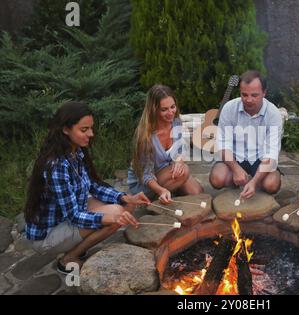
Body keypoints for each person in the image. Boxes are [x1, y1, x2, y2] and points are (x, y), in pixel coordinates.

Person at [24, 102, 150, 274]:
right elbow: (73, 216)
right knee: (115, 216)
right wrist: (106, 219)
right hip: (48, 235)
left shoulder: (75, 152)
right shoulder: (57, 165)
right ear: (66, 129)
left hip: (67, 215)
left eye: (91, 128)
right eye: (84, 130)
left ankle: (78, 243)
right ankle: (67, 259)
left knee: (125, 206)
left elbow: (93, 186)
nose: (91, 134)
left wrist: (125, 197)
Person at [209, 70, 283, 199]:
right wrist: (236, 169)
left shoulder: (273, 113)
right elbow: (223, 144)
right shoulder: (229, 108)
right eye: (244, 95)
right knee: (217, 179)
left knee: (272, 185)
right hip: (235, 156)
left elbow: (271, 153)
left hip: (260, 158)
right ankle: (239, 179)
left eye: (254, 95)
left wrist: (254, 182)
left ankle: (251, 183)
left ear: (264, 93)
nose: (248, 100)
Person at [128, 84, 203, 204]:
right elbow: (145, 175)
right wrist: (161, 190)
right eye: (164, 109)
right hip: (145, 182)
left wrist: (179, 161)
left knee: (197, 192)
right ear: (154, 110)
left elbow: (179, 150)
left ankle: (173, 186)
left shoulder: (176, 121)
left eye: (172, 107)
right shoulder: (145, 136)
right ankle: (159, 195)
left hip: (166, 171)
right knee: (185, 172)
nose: (170, 113)